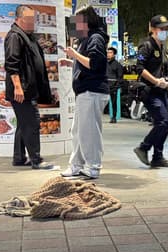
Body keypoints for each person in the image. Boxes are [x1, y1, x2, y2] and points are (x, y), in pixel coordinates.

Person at [61, 5, 109, 179]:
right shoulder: (87, 39)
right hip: (86, 92)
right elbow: (88, 63)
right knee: (79, 131)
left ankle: (93, 166)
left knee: (89, 132)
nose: (74, 27)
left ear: (85, 22)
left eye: (77, 22)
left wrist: (74, 56)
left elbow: (96, 64)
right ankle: (76, 165)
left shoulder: (95, 38)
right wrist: (71, 62)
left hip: (92, 91)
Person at [5, 5, 54, 169]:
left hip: (29, 89)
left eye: (34, 19)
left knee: (23, 123)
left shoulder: (28, 36)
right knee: (31, 123)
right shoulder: (14, 36)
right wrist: (18, 87)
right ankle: (36, 160)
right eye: (29, 19)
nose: (32, 22)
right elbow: (12, 63)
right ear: (18, 19)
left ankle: (19, 157)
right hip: (22, 90)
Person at [133, 15, 168, 168]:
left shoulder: (163, 48)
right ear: (152, 29)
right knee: (163, 121)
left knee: (165, 124)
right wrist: (155, 81)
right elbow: (139, 68)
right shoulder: (146, 46)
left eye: (166, 29)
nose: (165, 31)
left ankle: (157, 156)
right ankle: (143, 147)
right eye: (161, 29)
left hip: (160, 91)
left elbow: (163, 74)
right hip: (149, 90)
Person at [106, 46, 124, 123]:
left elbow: (120, 77)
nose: (108, 54)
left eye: (110, 53)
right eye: (108, 52)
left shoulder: (117, 65)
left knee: (113, 103)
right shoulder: (104, 64)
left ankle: (114, 117)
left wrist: (117, 86)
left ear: (114, 54)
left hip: (113, 86)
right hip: (104, 86)